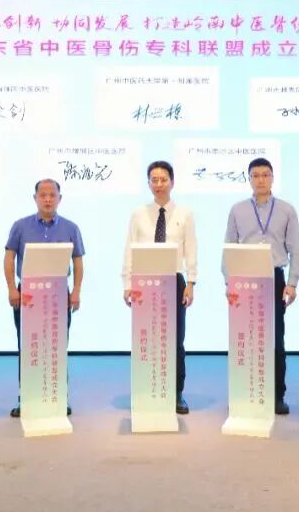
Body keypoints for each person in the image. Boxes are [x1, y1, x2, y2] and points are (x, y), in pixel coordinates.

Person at [224, 157, 299, 415]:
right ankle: (244, 393)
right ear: (249, 179)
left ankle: (277, 395)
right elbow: (229, 247)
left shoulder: (287, 210)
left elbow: (296, 249)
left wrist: (292, 283)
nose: (261, 180)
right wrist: (229, 281)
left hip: (274, 278)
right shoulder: (237, 210)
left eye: (265, 175)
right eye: (255, 175)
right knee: (244, 339)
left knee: (275, 339)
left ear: (272, 178)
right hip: (244, 280)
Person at [122, 161, 198, 414]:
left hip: (173, 281)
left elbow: (191, 250)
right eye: (154, 180)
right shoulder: (138, 214)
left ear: (172, 182)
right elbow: (129, 249)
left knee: (175, 340)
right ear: (148, 183)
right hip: (144, 283)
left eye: (163, 179)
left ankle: (176, 393)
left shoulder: (185, 214)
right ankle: (146, 391)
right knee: (146, 339)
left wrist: (191, 282)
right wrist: (127, 283)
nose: (159, 184)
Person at [4, 179, 84, 418]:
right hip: (27, 295)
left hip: (59, 295)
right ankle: (26, 398)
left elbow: (78, 262)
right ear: (35, 198)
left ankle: (59, 397)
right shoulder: (20, 226)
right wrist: (12, 288)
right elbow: (9, 258)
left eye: (52, 195)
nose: (48, 199)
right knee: (28, 346)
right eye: (43, 195)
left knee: (58, 346)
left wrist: (76, 291)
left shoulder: (71, 228)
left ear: (60, 198)